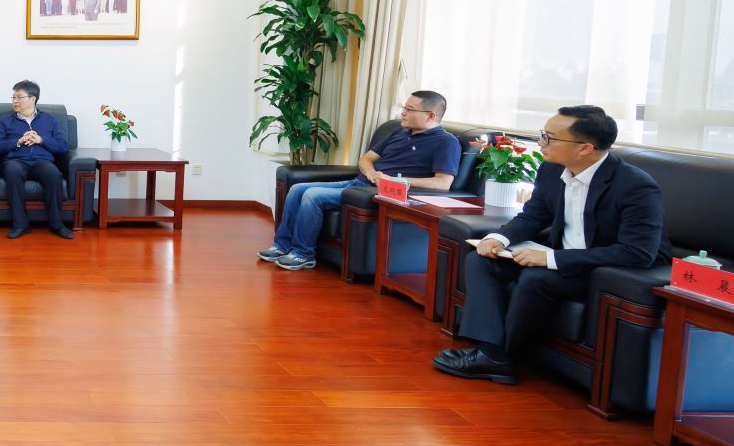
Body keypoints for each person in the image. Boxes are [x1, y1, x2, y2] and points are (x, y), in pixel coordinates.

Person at [433, 105, 672, 385]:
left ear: (584, 148)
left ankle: (499, 356)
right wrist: (498, 238)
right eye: (542, 134)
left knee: (537, 278)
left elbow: (637, 252)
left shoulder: (635, 185)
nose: (541, 142)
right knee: (481, 259)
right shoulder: (551, 170)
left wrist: (550, 259)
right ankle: (491, 351)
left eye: (550, 137)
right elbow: (533, 216)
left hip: (602, 269)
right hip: (560, 256)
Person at [258, 90, 461, 271]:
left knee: (313, 195)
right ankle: (281, 246)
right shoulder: (399, 132)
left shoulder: (446, 142)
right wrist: (372, 173)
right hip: (360, 183)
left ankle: (303, 254)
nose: (403, 113)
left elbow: (442, 183)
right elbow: (366, 159)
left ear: (431, 116)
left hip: (378, 194)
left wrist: (396, 180)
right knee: (297, 189)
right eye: (404, 108)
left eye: (409, 109)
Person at [0, 80, 74, 240]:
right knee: (12, 171)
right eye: (13, 97)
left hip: (42, 162)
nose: (15, 101)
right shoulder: (5, 120)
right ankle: (20, 225)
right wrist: (18, 142)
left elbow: (63, 146)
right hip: (16, 161)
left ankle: (57, 224)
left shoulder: (50, 120)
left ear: (32, 99)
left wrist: (41, 140)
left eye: (19, 97)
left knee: (54, 174)